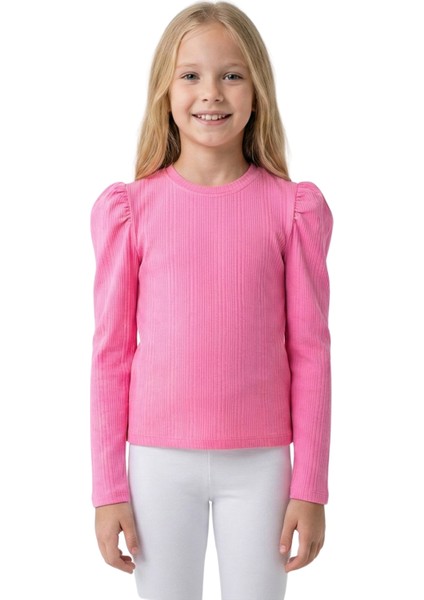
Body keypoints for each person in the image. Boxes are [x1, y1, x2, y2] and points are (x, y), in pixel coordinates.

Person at [89, 2, 334, 599]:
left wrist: (310, 486)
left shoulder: (291, 209)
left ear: (258, 90)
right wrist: (108, 488)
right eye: (191, 75)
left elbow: (311, 352)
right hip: (156, 463)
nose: (211, 93)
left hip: (262, 464)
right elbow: (110, 354)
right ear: (165, 91)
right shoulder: (131, 210)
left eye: (232, 75)